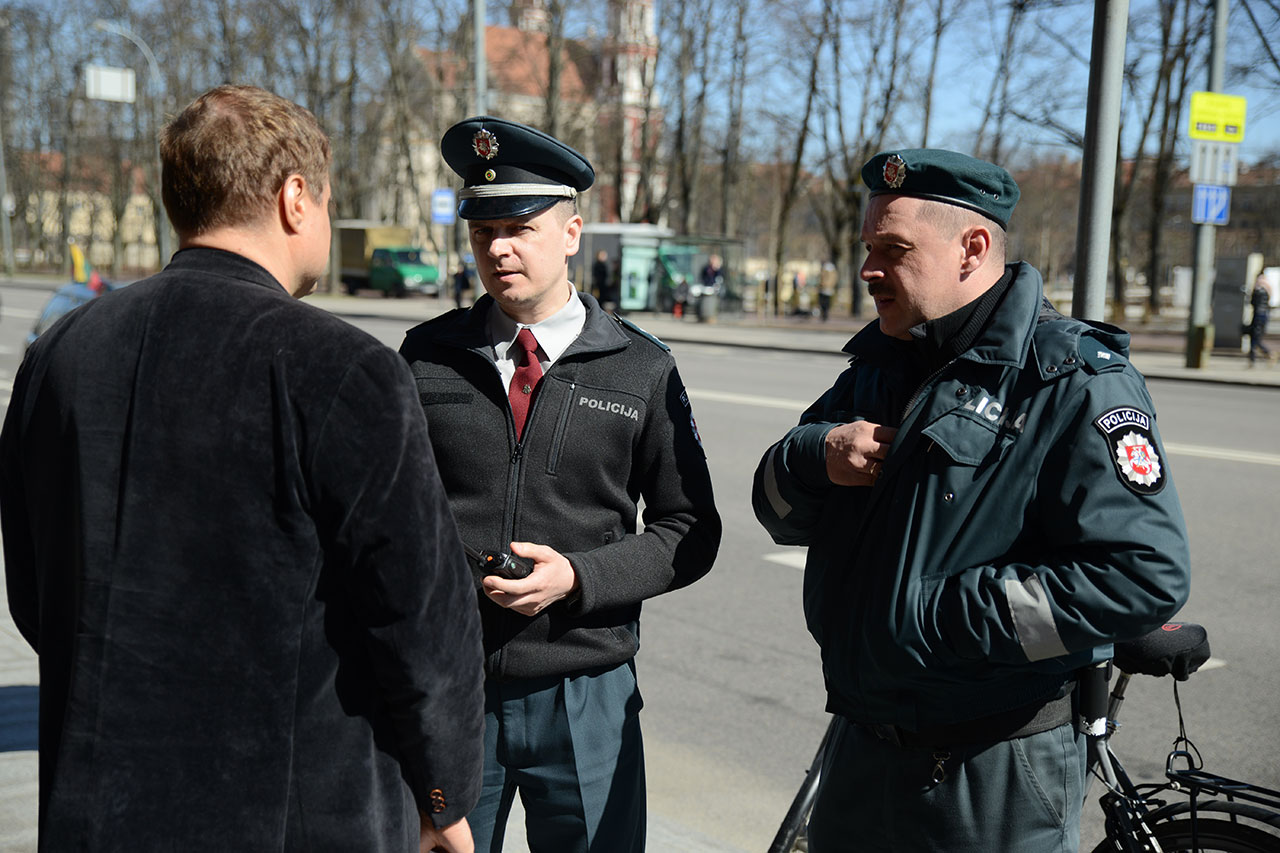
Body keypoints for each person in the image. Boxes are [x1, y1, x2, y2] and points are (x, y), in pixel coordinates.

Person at [0, 85, 485, 852]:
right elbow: (422, 619)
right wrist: (444, 794)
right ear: (295, 198)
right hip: (296, 816)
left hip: (94, 807)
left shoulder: (58, 356)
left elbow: (36, 598)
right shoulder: (343, 368)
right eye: (327, 199)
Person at [751, 149, 1191, 852]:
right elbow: (776, 510)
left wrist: (935, 618)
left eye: (893, 250)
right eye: (868, 248)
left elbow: (1143, 575)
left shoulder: (1071, 379)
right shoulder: (879, 367)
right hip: (862, 751)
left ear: (973, 249)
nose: (867, 270)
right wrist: (814, 455)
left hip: (992, 772)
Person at [400, 116, 721, 853]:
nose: (498, 249)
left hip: (585, 692)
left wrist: (579, 578)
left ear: (572, 233)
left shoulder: (640, 367)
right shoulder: (426, 356)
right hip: (450, 687)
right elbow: (388, 516)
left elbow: (690, 529)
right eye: (483, 231)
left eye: (520, 228)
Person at [1248, 272, 1272, 366]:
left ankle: (1263, 354)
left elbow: (1253, 302)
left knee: (1255, 338)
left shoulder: (1258, 290)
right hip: (1263, 315)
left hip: (1258, 316)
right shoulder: (1268, 288)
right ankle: (1254, 358)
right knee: (1256, 338)